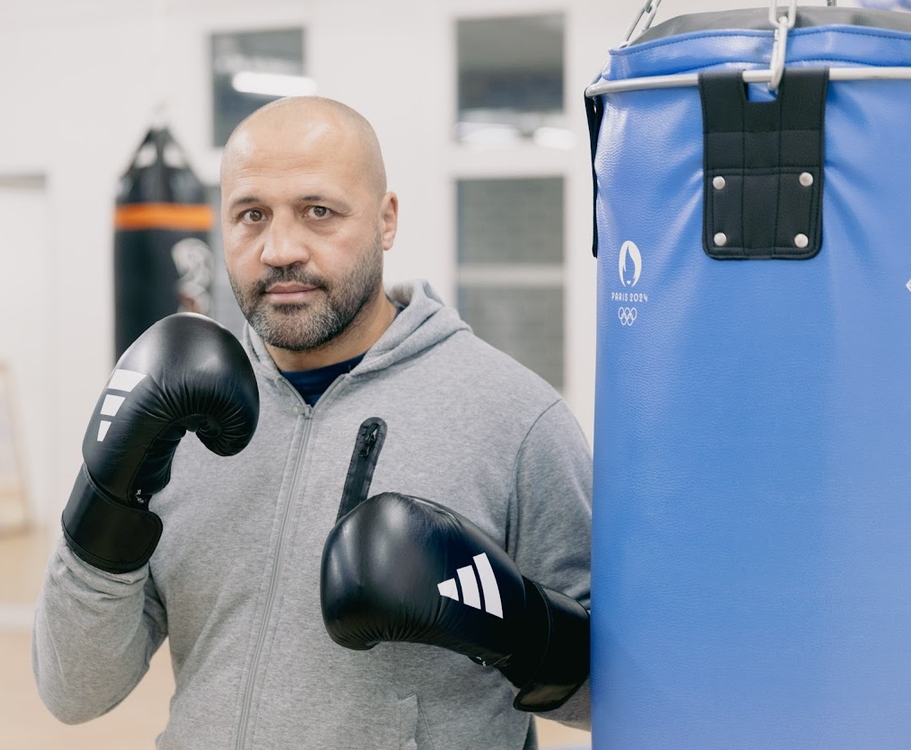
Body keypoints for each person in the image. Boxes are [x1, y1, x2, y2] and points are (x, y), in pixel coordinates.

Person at [33, 95, 593, 749]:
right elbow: (74, 691)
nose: (280, 249)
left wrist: (519, 625)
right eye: (251, 215)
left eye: (317, 211)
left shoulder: (513, 420)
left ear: (386, 220)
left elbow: (612, 694)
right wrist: (102, 500)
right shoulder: (179, 415)